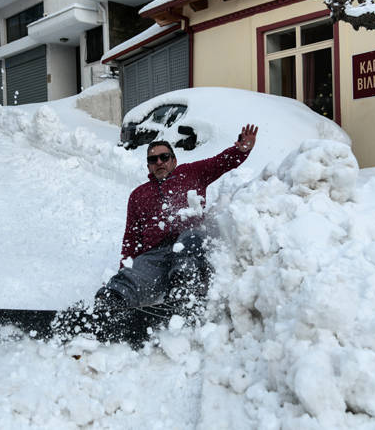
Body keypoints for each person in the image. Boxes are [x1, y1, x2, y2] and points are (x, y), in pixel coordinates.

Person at [95, 124, 258, 310]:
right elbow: (131, 239)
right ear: (148, 166)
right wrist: (126, 269)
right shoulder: (138, 195)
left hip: (190, 243)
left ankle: (184, 293)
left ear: (174, 160)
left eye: (164, 157)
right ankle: (111, 305)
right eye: (153, 159)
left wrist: (241, 150)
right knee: (136, 272)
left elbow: (221, 162)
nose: (159, 162)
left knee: (191, 239)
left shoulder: (192, 173)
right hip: (155, 254)